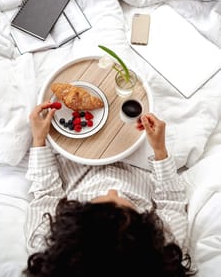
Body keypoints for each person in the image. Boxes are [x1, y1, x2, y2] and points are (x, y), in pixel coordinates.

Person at [23, 101, 194, 277]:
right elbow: (172, 202)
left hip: (77, 156)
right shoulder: (167, 250)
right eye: (130, 205)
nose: (113, 190)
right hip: (141, 160)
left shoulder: (44, 242)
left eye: (93, 202)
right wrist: (159, 150)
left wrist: (38, 139)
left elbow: (46, 194)